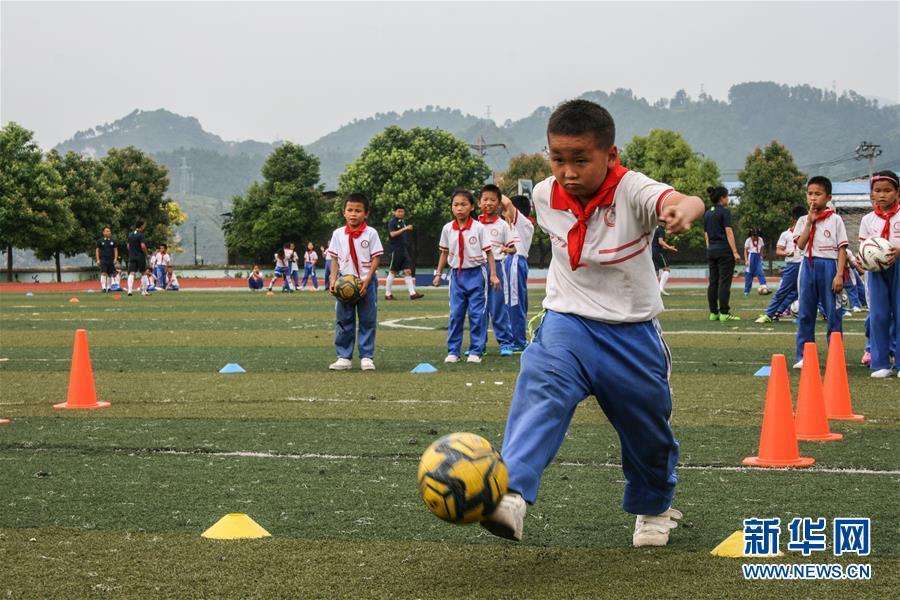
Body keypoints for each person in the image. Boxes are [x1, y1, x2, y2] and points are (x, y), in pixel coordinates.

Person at [481, 99, 704, 547]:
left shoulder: (633, 190)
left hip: (632, 333)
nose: (568, 171)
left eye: (581, 159)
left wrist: (684, 211)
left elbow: (682, 199)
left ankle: (653, 506)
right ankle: (511, 494)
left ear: (611, 155)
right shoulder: (545, 196)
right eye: (558, 158)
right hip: (569, 322)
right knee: (541, 384)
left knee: (647, 430)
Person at [433, 188, 501, 364]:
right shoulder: (447, 229)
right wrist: (438, 273)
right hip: (456, 276)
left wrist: (493, 275)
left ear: (472, 207)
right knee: (456, 314)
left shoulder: (478, 228)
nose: (459, 208)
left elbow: (489, 254)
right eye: (456, 205)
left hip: (476, 274)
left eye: (463, 204)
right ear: (452, 208)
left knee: (477, 314)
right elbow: (443, 253)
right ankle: (453, 351)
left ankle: (475, 350)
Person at [792, 176, 849, 369]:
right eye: (810, 194)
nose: (813, 198)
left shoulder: (836, 219)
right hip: (808, 266)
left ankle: (836, 355)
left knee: (833, 314)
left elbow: (842, 249)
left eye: (818, 194)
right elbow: (800, 245)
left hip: (830, 267)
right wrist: (809, 222)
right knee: (806, 313)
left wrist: (839, 274)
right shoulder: (802, 220)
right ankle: (804, 355)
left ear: (828, 197)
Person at [326, 193, 384, 371]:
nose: (353, 214)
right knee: (344, 319)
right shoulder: (337, 234)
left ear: (365, 213)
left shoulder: (371, 233)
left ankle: (367, 356)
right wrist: (333, 279)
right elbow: (334, 259)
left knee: (368, 319)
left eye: (358, 211)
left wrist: (368, 279)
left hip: (366, 282)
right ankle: (344, 356)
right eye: (349, 210)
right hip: (345, 283)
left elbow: (376, 258)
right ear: (344, 212)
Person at [857, 170, 899, 378]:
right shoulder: (867, 219)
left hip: (898, 268)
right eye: (877, 190)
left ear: (897, 193)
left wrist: (897, 251)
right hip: (876, 272)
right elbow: (863, 246)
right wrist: (863, 260)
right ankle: (881, 363)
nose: (882, 195)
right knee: (879, 315)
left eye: (888, 190)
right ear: (871, 194)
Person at [478, 184, 518, 356]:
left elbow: (513, 248)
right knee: (478, 308)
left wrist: (505, 249)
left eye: (493, 200)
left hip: (497, 269)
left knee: (497, 307)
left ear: (499, 204)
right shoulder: (474, 225)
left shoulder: (503, 225)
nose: (488, 203)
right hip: (476, 269)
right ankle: (479, 344)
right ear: (479, 203)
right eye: (485, 199)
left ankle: (505, 342)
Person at [756, 206, 806, 323]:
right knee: (784, 291)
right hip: (793, 265)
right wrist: (787, 253)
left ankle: (777, 312)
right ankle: (770, 314)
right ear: (794, 220)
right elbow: (778, 250)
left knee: (804, 291)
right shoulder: (786, 234)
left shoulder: (808, 232)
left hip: (806, 264)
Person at [501, 194, 534, 351]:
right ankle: (517, 338)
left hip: (515, 261)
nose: (503, 213)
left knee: (514, 302)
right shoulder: (517, 226)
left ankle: (517, 340)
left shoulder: (521, 222)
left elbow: (506, 202)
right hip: (515, 261)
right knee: (517, 301)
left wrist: (491, 192)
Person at [703, 187, 741, 321]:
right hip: (724, 251)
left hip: (711, 250)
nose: (728, 199)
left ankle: (714, 313)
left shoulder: (707, 213)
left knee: (713, 282)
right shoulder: (724, 212)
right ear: (722, 198)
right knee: (724, 282)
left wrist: (710, 249)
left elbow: (706, 234)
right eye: (727, 196)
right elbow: (729, 231)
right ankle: (724, 313)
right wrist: (735, 252)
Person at [385, 205, 424, 300]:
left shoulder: (402, 222)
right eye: (398, 211)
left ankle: (412, 293)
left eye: (402, 212)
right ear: (394, 212)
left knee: (408, 271)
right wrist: (405, 229)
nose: (401, 213)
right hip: (396, 250)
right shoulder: (392, 222)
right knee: (393, 271)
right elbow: (392, 234)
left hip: (404, 250)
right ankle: (387, 294)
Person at [652, 225, 678, 296]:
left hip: (652, 252)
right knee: (667, 269)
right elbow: (660, 242)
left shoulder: (654, 228)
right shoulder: (661, 229)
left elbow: (660, 245)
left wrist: (669, 248)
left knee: (656, 272)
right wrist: (669, 247)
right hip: (658, 252)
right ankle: (660, 289)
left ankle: (654, 291)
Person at [126, 221, 148, 297]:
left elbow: (128, 246)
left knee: (132, 273)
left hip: (132, 256)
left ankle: (129, 291)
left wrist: (132, 252)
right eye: (144, 225)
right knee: (143, 272)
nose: (144, 227)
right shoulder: (141, 235)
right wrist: (146, 253)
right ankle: (144, 291)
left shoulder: (130, 234)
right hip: (140, 256)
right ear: (141, 226)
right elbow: (142, 246)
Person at [743, 230, 768, 295]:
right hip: (751, 256)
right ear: (751, 235)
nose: (755, 237)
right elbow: (745, 251)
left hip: (758, 257)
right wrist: (746, 260)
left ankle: (764, 287)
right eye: (753, 235)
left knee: (760, 272)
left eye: (756, 235)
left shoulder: (760, 239)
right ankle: (746, 291)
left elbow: (762, 248)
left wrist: (761, 256)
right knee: (749, 274)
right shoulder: (748, 240)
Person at [96, 226, 118, 293]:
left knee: (109, 274)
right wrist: (98, 259)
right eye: (107, 231)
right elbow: (97, 250)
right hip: (103, 259)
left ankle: (108, 288)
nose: (109, 232)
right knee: (103, 272)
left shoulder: (113, 241)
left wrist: (115, 258)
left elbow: (115, 250)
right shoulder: (100, 241)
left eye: (109, 231)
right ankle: (103, 288)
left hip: (110, 259)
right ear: (103, 232)